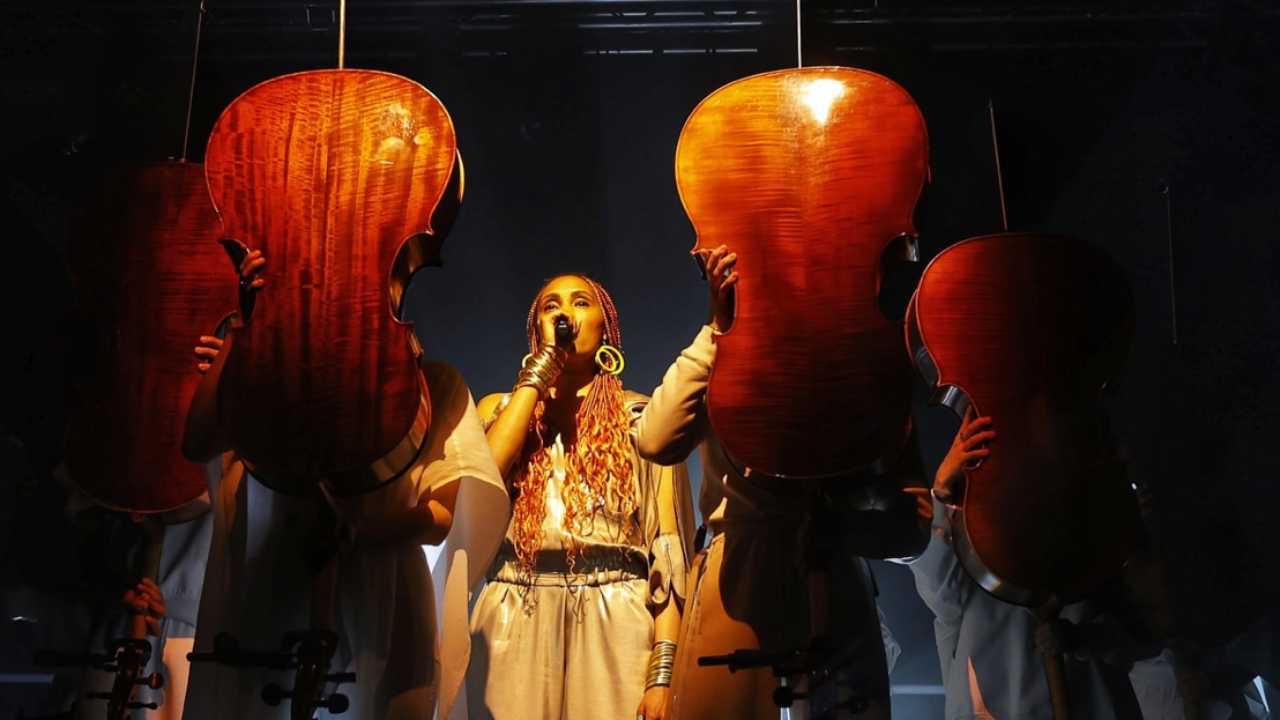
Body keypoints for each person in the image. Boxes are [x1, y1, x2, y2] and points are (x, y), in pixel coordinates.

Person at [183, 250, 508, 720]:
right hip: (280, 581)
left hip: (383, 593)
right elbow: (197, 443)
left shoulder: (432, 383)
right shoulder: (272, 373)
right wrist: (242, 332)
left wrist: (355, 533)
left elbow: (438, 517)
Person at [633, 246, 932, 720]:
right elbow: (655, 440)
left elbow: (914, 525)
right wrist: (716, 331)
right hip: (739, 573)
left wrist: (845, 531)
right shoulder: (724, 360)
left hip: (834, 574)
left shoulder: (862, 366)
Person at [466, 272, 695, 720]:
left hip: (616, 612)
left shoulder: (642, 419)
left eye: (580, 303)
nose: (564, 314)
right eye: (550, 306)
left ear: (606, 327)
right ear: (536, 330)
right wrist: (541, 371)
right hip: (513, 608)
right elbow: (484, 479)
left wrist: (663, 673)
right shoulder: (498, 410)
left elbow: (667, 555)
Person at [912, 409, 1150, 720]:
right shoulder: (975, 519)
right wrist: (943, 492)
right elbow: (941, 596)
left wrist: (1084, 639)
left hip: (1089, 700)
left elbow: (1145, 626)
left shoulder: (1098, 513)